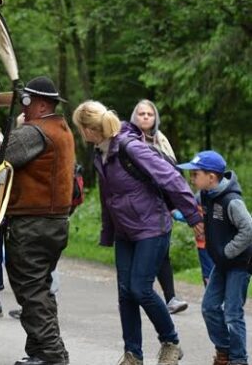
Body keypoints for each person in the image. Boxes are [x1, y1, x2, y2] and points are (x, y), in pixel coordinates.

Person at [72, 100, 203, 365]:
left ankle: (171, 343)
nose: (81, 134)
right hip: (126, 232)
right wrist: (108, 233)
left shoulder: (130, 147)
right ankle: (133, 354)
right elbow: (109, 197)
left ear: (88, 129)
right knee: (125, 293)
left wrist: (192, 215)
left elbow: (171, 177)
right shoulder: (101, 153)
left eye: (80, 128)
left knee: (140, 288)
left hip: (152, 226)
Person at [0, 77, 73, 365]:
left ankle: (53, 354)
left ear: (40, 104)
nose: (23, 107)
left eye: (26, 102)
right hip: (54, 222)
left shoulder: (33, 132)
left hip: (32, 223)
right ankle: (39, 351)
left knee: (30, 290)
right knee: (39, 288)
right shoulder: (61, 128)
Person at [177, 151, 252, 365]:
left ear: (211, 177)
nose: (192, 178)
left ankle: (238, 359)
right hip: (222, 264)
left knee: (232, 313)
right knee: (209, 307)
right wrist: (173, 212)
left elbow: (248, 229)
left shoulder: (231, 201)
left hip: (239, 264)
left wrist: (227, 251)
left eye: (196, 174)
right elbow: (188, 209)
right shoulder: (205, 195)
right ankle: (224, 351)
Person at [130, 99, 189, 314]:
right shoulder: (128, 142)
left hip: (160, 207)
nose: (146, 117)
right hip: (136, 208)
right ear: (134, 117)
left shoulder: (162, 142)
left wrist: (177, 205)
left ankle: (170, 297)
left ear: (155, 118)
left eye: (150, 114)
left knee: (162, 252)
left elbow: (172, 177)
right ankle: (134, 294)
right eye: (141, 113)